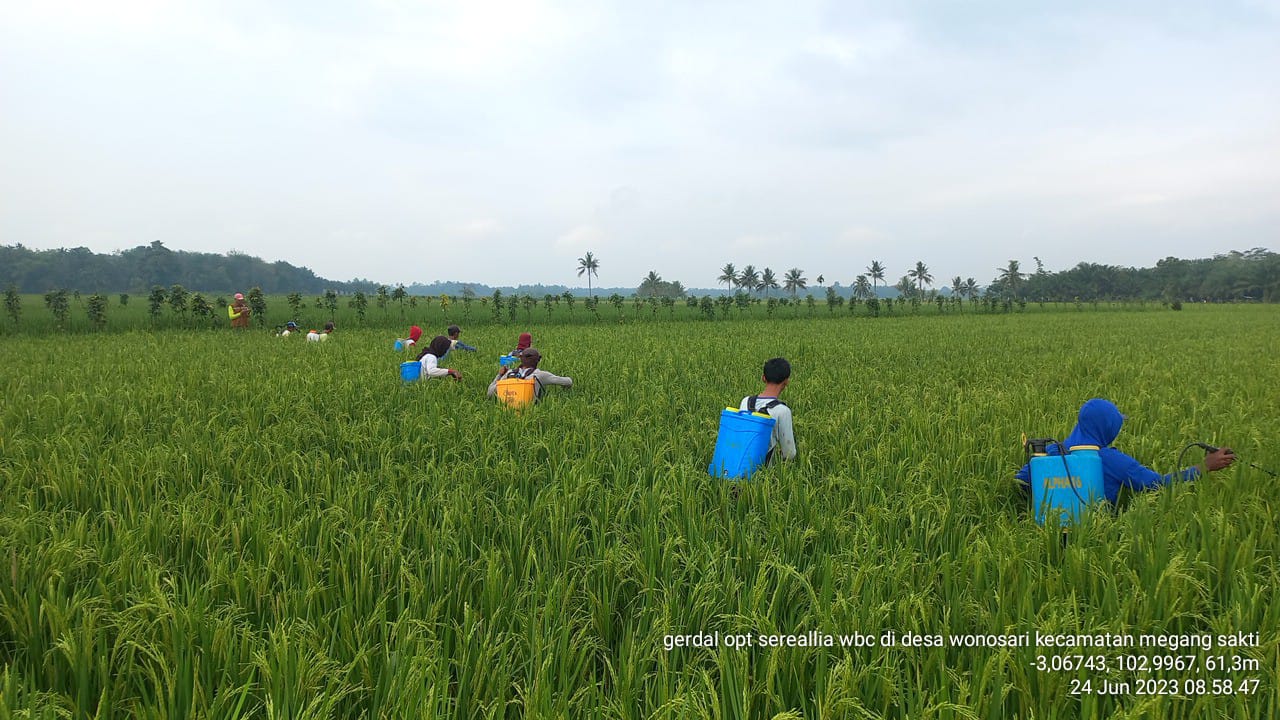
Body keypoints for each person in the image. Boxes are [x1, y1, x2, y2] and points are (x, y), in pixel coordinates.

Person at [1015, 398, 1236, 505]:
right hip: (1096, 539)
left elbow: (1021, 482)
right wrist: (1204, 466)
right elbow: (1157, 484)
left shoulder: (1051, 452)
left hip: (1047, 535)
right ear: (1108, 428)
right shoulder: (1112, 460)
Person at [740, 357, 797, 463]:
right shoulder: (782, 411)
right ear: (786, 381)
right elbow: (789, 453)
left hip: (737, 464)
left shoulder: (746, 401)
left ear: (763, 378)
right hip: (762, 470)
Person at [486, 347, 571, 401]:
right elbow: (568, 382)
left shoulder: (509, 373)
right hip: (531, 412)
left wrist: (499, 375)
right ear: (538, 360)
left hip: (507, 413)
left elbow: (490, 393)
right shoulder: (540, 375)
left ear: (521, 359)